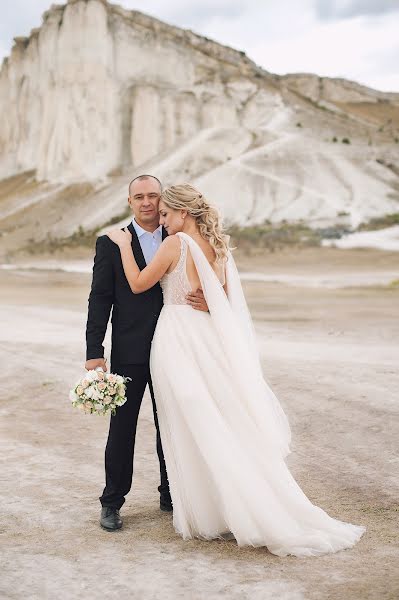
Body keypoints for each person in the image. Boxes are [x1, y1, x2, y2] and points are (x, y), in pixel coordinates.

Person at [105, 183, 366, 556]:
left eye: (165, 214)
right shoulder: (218, 247)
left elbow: (137, 283)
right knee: (215, 417)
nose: (160, 220)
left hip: (177, 337)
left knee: (188, 422)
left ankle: (209, 510)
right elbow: (223, 301)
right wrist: (208, 303)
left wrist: (124, 245)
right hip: (206, 338)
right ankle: (227, 504)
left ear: (183, 212)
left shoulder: (174, 245)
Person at [85, 175, 208, 532]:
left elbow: (208, 282)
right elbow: (100, 298)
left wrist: (208, 302)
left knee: (172, 423)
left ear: (163, 199)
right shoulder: (111, 243)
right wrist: (95, 351)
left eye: (153, 195)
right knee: (121, 429)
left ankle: (171, 494)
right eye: (139, 197)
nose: (147, 203)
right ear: (129, 202)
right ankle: (111, 502)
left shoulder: (181, 237)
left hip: (176, 348)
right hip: (131, 352)